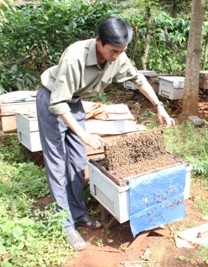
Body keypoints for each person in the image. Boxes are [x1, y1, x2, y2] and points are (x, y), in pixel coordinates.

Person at [36, 16, 175, 251]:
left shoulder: (118, 55)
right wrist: (84, 134)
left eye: (122, 51)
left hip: (75, 102)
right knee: (58, 163)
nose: (117, 56)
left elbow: (138, 79)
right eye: (113, 51)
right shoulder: (74, 56)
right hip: (52, 100)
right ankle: (65, 224)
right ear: (99, 42)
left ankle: (78, 213)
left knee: (79, 160)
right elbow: (58, 104)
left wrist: (159, 106)